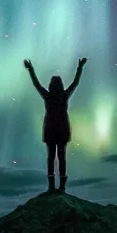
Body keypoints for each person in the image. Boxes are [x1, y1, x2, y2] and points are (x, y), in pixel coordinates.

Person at [24, 56, 86, 192]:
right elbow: (75, 83)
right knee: (61, 157)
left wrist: (31, 70)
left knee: (51, 157)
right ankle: (61, 186)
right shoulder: (64, 95)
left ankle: (52, 185)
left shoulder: (48, 96)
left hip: (51, 130)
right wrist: (80, 68)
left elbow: (36, 84)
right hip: (62, 129)